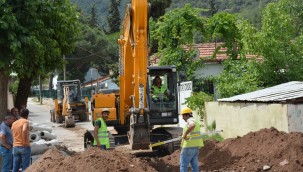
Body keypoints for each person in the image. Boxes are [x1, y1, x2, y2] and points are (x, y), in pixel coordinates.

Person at [180, 107, 204, 172]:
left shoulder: (190, 120)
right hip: (195, 146)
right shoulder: (196, 121)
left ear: (187, 115)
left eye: (183, 116)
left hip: (188, 146)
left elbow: (192, 126)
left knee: (183, 165)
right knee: (194, 166)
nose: (182, 118)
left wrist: (185, 134)